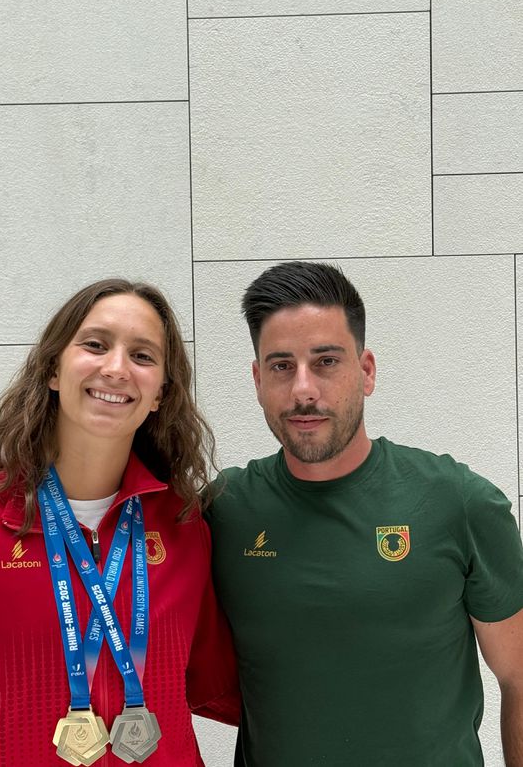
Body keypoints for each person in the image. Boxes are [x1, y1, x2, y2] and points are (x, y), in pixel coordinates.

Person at [0, 278, 238, 767]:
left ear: (160, 394)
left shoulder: (184, 525)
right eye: (96, 345)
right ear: (53, 370)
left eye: (142, 356)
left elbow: (224, 686)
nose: (117, 368)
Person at [207, 261, 523, 767]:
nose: (303, 389)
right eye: (281, 366)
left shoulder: (459, 503)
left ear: (367, 371)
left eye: (326, 361)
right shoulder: (223, 511)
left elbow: (518, 675)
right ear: (258, 380)